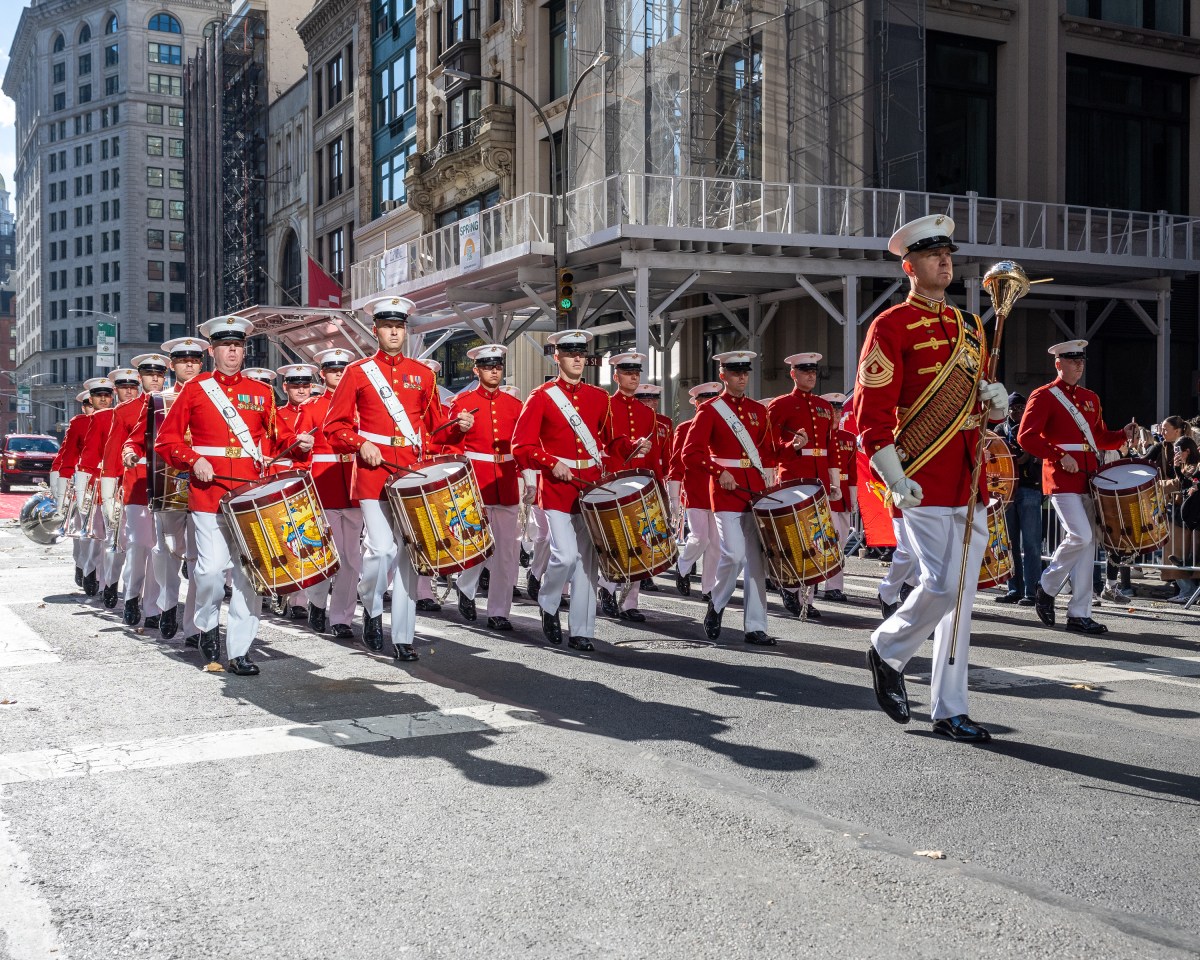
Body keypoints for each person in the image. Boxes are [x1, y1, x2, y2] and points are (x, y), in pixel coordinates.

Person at [855, 213, 1010, 743]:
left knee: (961, 604)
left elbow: (981, 401)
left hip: (970, 479)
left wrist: (997, 406)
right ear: (909, 265)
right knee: (940, 585)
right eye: (931, 255)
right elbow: (869, 422)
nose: (945, 262)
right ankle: (887, 647)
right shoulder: (890, 326)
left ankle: (951, 708)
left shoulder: (970, 327)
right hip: (920, 477)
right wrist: (895, 480)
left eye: (948, 253)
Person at [155, 315, 312, 674]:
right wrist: (194, 460)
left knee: (248, 574)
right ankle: (207, 626)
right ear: (212, 350)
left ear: (244, 350)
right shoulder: (196, 389)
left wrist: (299, 444)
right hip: (208, 492)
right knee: (209, 573)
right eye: (226, 345)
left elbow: (277, 438)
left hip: (250, 493)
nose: (232, 351)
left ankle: (240, 649)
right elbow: (167, 440)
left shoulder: (261, 392)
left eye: (238, 345)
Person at [323, 296, 443, 664]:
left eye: (400, 326)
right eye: (388, 326)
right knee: (382, 549)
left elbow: (437, 430)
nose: (394, 331)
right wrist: (362, 443)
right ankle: (371, 602)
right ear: (375, 330)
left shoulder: (424, 375)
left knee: (408, 555)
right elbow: (334, 426)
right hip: (373, 476)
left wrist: (459, 427)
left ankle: (404, 637)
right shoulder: (358, 372)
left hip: (411, 474)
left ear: (405, 330)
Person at [512, 329, 647, 650]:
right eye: (570, 353)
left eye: (581, 354)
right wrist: (548, 461)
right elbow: (521, 445)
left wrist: (631, 446)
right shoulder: (542, 396)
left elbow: (610, 441)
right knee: (566, 556)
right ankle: (547, 598)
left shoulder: (598, 397)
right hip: (557, 489)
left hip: (591, 488)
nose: (576, 359)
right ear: (557, 357)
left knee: (587, 562)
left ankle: (582, 630)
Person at [1017, 339, 1135, 635]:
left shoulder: (1090, 398)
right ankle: (1046, 586)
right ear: (1059, 364)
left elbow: (1099, 438)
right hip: (1061, 477)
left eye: (1081, 360)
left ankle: (1079, 613)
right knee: (1080, 535)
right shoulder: (1043, 395)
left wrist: (1123, 434)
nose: (1079, 365)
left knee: (1087, 546)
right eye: (1072, 360)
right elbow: (1026, 437)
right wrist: (1059, 455)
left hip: (1090, 478)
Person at [682, 350, 778, 646]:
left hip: (755, 490)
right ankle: (718, 603)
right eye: (735, 372)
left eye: (745, 372)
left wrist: (795, 446)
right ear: (723, 375)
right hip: (725, 491)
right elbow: (690, 453)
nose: (742, 377)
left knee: (757, 561)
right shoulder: (710, 410)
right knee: (734, 553)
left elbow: (769, 452)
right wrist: (717, 470)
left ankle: (755, 626)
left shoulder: (758, 411)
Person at [445, 344, 523, 631]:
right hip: (475, 482)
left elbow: (524, 445)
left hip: (506, 480)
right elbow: (448, 445)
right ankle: (465, 588)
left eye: (498, 366)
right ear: (476, 370)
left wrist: (528, 477)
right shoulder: (462, 402)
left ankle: (498, 611)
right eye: (488, 366)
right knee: (476, 545)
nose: (494, 370)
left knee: (506, 552)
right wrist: (458, 428)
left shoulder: (516, 406)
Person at [768, 352, 840, 618]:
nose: (811, 376)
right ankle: (790, 588)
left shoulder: (824, 406)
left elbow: (830, 448)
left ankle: (808, 597)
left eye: (813, 371)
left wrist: (834, 482)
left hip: (819, 478)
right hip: (793, 477)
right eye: (805, 371)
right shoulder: (781, 405)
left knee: (818, 537)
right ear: (793, 374)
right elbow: (769, 447)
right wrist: (792, 446)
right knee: (795, 537)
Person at [146, 336, 207, 642]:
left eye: (195, 361)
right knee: (168, 552)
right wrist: (131, 453)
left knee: (200, 558)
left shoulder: (214, 399)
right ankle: (168, 604)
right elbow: (138, 438)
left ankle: (195, 624)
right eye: (183, 361)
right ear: (173, 365)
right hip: (168, 485)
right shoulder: (159, 401)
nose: (189, 366)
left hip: (205, 487)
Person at [303, 348, 363, 638]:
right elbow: (299, 448)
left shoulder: (360, 406)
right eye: (332, 370)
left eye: (343, 369)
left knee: (352, 559)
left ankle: (342, 618)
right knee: (328, 555)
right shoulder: (311, 406)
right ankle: (316, 602)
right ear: (322, 374)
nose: (338, 374)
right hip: (323, 487)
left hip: (353, 486)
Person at [597, 351, 662, 622]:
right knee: (614, 538)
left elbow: (655, 454)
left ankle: (630, 601)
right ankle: (607, 587)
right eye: (627, 372)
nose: (633, 377)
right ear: (616, 376)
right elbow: (599, 445)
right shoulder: (605, 406)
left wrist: (658, 489)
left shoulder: (647, 412)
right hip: (613, 479)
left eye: (637, 372)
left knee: (641, 541)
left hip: (640, 483)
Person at [102, 360, 166, 626]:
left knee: (159, 549)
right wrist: (110, 489)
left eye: (159, 375)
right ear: (140, 378)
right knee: (139, 545)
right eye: (149, 375)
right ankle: (130, 597)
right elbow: (113, 452)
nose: (154, 379)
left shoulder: (171, 404)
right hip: (137, 483)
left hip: (168, 483)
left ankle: (152, 607)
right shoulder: (126, 411)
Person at [273, 363, 318, 619]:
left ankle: (302, 598)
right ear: (286, 387)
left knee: (309, 539)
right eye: (296, 385)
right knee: (289, 537)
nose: (301, 390)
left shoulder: (319, 410)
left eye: (305, 385)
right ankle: (292, 594)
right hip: (287, 480)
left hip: (313, 480)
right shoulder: (278, 415)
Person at [670, 382, 723, 599]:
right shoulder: (685, 428)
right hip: (696, 490)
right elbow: (676, 464)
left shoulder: (723, 427)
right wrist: (674, 496)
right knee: (700, 537)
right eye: (705, 401)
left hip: (719, 490)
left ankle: (709, 588)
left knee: (716, 544)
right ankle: (683, 567)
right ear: (697, 404)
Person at [993, 392, 1044, 605]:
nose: (1017, 411)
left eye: (1021, 407)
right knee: (1010, 543)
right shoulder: (999, 430)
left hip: (1030, 488)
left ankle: (1032, 592)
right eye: (1013, 408)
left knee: (1031, 544)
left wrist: (1029, 456)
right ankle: (1014, 589)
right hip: (1007, 490)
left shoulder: (1034, 429)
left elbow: (1042, 454)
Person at [74, 377, 117, 597]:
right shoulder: (80, 422)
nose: (103, 399)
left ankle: (107, 579)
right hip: (93, 481)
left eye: (107, 395)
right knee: (95, 534)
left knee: (111, 535)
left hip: (115, 481)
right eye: (98, 396)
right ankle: (89, 568)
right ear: (89, 400)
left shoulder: (119, 417)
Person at [50, 391, 94, 588]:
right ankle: (82, 564)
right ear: (84, 406)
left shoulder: (115, 417)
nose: (92, 407)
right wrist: (60, 483)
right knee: (81, 530)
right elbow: (66, 454)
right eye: (88, 404)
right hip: (82, 480)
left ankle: (98, 573)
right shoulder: (79, 423)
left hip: (107, 480)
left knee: (104, 533)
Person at [822, 391, 855, 602]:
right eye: (832, 410)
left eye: (839, 410)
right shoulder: (820, 437)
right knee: (823, 543)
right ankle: (816, 583)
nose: (836, 414)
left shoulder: (848, 438)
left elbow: (852, 472)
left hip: (842, 497)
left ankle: (834, 586)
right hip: (825, 494)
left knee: (840, 543)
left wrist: (853, 499)